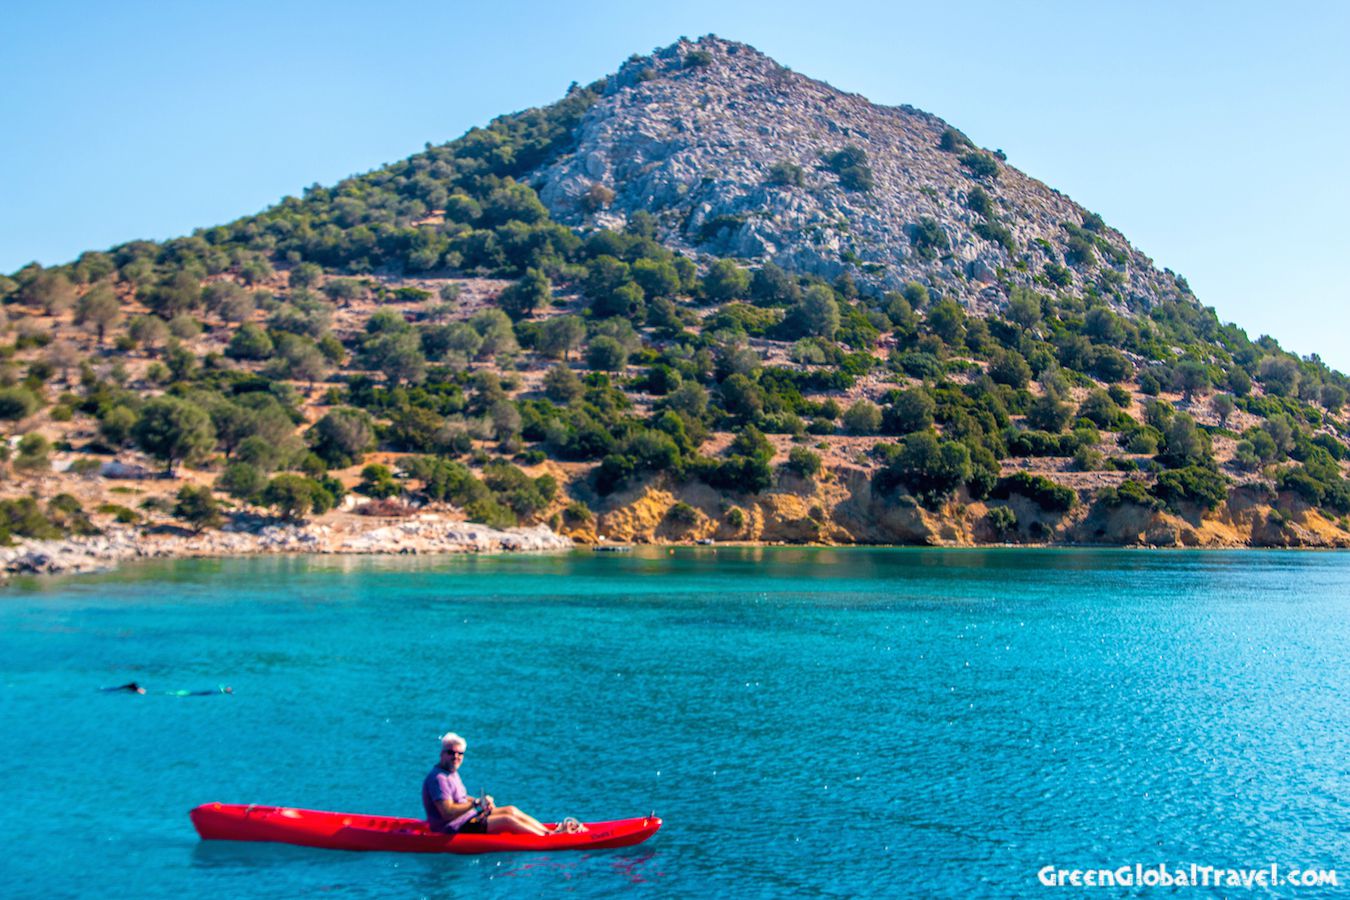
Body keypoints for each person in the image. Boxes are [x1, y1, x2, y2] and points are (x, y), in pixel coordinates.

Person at [422, 733, 560, 836]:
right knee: (506, 820)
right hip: (454, 828)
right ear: (442, 754)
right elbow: (447, 813)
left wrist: (481, 802)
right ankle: (547, 838)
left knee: (510, 810)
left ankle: (547, 832)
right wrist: (475, 803)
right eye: (451, 752)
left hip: (468, 819)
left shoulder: (451, 772)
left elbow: (461, 799)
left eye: (460, 754)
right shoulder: (439, 779)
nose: (456, 757)